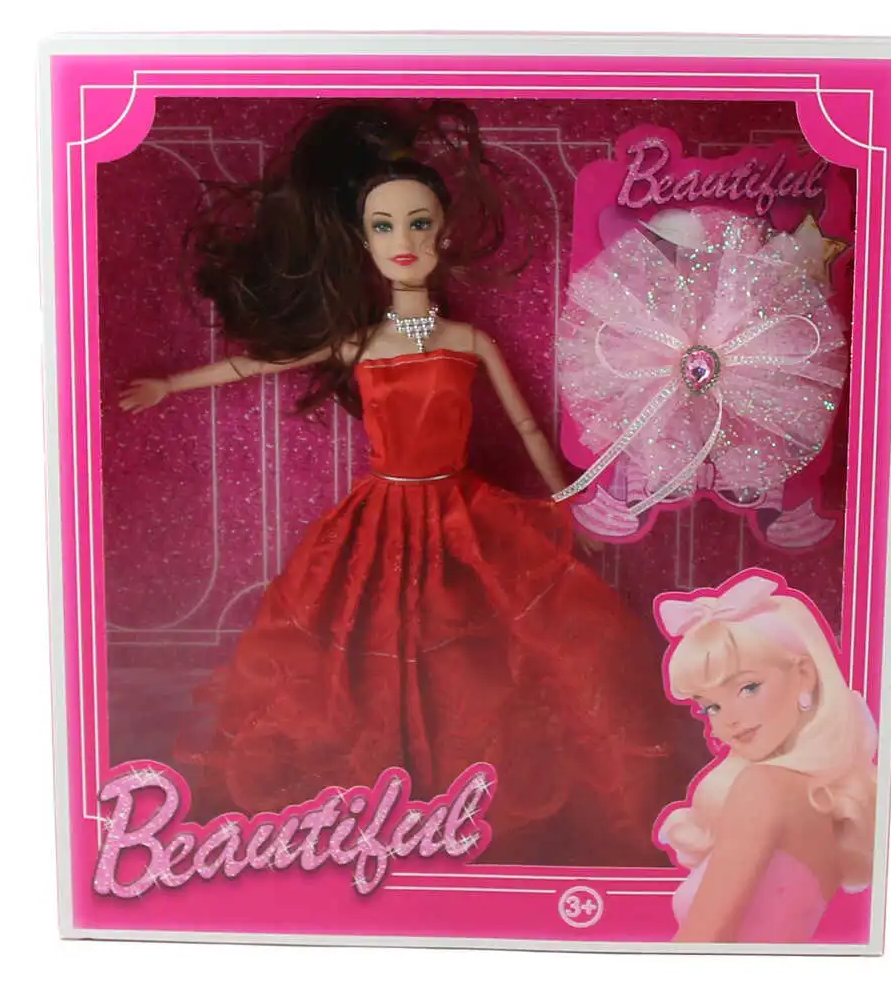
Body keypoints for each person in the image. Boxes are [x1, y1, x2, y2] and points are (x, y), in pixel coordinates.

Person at [120, 101, 689, 866]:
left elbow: (528, 428)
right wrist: (169, 384)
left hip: (464, 513)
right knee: (360, 647)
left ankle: (462, 799)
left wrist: (567, 503)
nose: (404, 241)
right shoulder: (359, 341)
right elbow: (258, 363)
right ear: (362, 240)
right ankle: (384, 804)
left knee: (484, 655)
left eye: (419, 223)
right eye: (384, 226)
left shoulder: (468, 340)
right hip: (380, 517)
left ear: (443, 232)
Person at [654, 571, 877, 940]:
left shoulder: (763, 788)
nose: (729, 719)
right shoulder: (827, 801)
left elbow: (699, 945)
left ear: (804, 674)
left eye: (748, 688)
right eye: (711, 707)